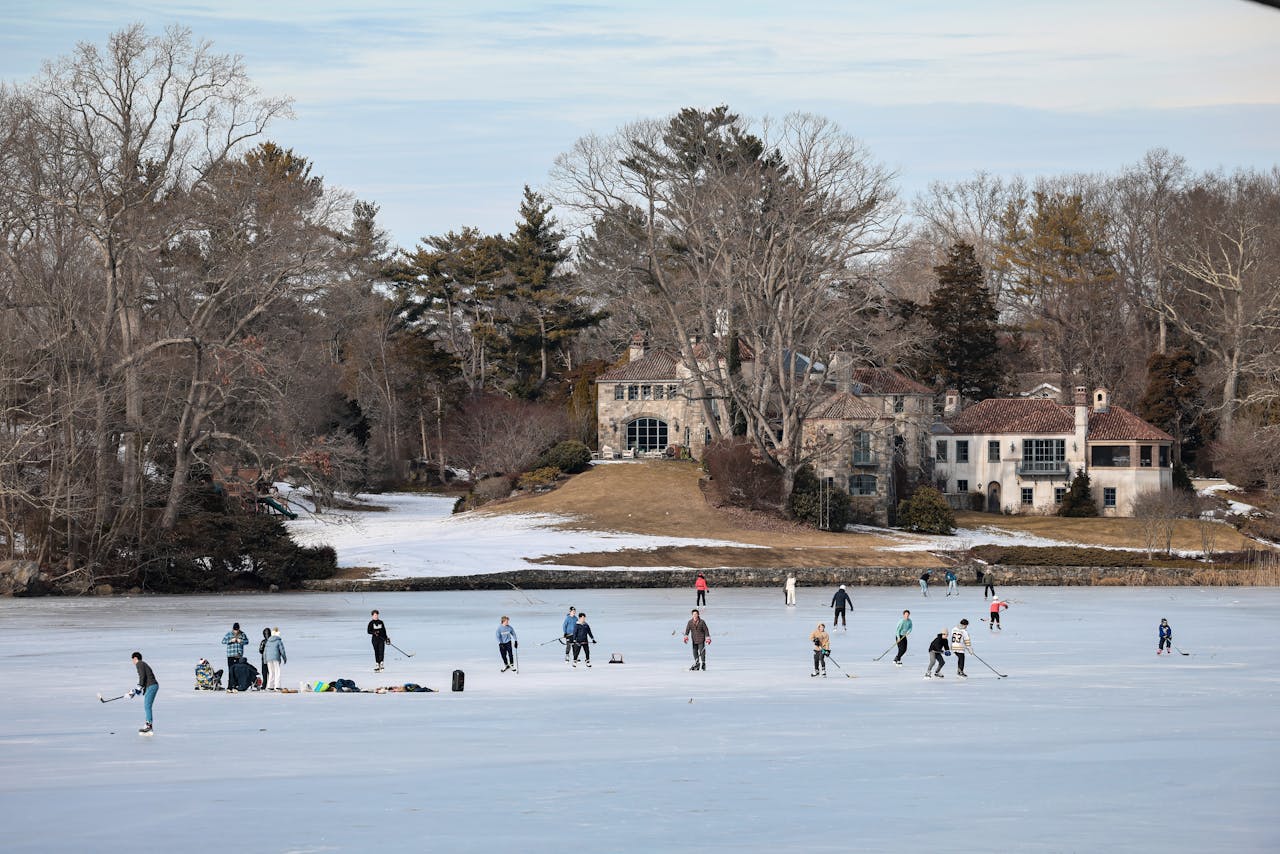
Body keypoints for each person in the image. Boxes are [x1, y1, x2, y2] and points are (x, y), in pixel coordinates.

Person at [128, 652, 159, 734]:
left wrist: (138, 688)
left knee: (147, 706)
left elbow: (142, 676)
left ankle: (149, 725)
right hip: (151, 686)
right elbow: (144, 678)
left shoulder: (139, 664)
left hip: (151, 686)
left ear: (135, 658)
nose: (132, 662)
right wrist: (137, 690)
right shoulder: (142, 664)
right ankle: (148, 725)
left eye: (132, 660)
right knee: (147, 706)